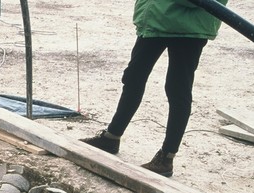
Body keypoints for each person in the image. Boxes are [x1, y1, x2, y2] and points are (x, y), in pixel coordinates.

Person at [80, 0, 227, 177]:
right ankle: (111, 137)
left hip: (189, 28)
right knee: (133, 77)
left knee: (177, 89)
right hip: (157, 19)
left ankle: (166, 158)